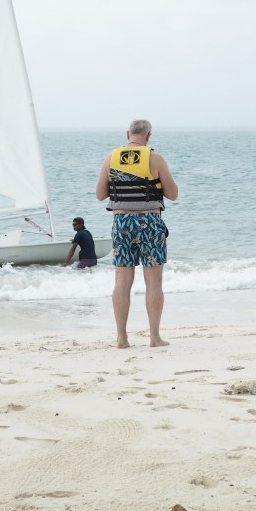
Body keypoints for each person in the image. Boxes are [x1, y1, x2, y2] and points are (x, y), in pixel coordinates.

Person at [96, 119, 179, 348]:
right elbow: (173, 194)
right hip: (150, 222)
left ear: (128, 134)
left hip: (121, 222)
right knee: (154, 282)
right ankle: (154, 337)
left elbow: (100, 194)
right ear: (149, 136)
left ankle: (122, 339)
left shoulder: (111, 158)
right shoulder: (155, 158)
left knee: (122, 282)